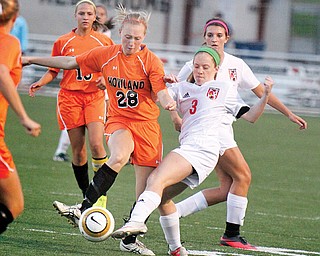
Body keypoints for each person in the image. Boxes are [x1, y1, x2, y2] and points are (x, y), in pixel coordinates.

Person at [22, 4, 176, 255]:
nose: (131, 42)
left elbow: (161, 91)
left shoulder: (151, 62)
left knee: (145, 190)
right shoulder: (106, 53)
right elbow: (70, 62)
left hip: (147, 126)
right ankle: (83, 207)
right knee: (117, 155)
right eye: (127, 37)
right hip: (120, 120)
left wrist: (170, 104)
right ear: (120, 34)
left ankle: (129, 241)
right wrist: (30, 59)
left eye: (137, 38)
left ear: (143, 37)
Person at [110, 46, 274, 256]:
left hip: (202, 148)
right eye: (196, 66)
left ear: (216, 69)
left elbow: (251, 116)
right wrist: (161, 86)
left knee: (155, 180)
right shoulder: (181, 88)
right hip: (192, 150)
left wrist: (265, 96)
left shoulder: (223, 89)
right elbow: (155, 97)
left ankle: (135, 222)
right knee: (162, 199)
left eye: (206, 67)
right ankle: (176, 249)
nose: (200, 71)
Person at [168, 17, 307, 250]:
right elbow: (172, 93)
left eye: (218, 36)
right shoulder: (194, 63)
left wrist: (288, 113)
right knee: (243, 177)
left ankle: (173, 211)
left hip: (225, 128)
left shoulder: (236, 65)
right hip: (211, 130)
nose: (214, 39)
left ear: (226, 39)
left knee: (227, 188)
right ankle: (231, 234)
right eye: (210, 35)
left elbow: (261, 92)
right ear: (204, 37)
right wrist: (175, 118)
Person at [28, 0, 114, 208]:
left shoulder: (104, 41)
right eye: (81, 13)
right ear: (75, 15)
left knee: (96, 143)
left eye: (89, 13)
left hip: (94, 97)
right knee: (78, 151)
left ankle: (99, 195)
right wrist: (41, 81)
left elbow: (111, 68)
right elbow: (53, 69)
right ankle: (87, 194)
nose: (85, 17)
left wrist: (105, 79)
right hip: (70, 99)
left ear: (95, 17)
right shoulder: (63, 41)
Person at [0, 0, 41, 234]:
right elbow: (2, 72)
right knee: (13, 205)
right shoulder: (8, 41)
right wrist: (24, 117)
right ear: (15, 18)